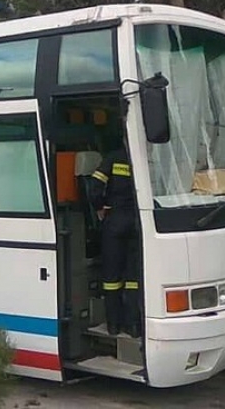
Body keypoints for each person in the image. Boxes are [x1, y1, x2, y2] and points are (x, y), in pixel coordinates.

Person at [87, 143, 141, 337]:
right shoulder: (142, 157)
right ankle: (134, 326)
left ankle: (113, 326)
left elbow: (94, 186)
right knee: (133, 277)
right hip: (137, 223)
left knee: (111, 278)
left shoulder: (112, 158)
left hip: (114, 221)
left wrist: (99, 207)